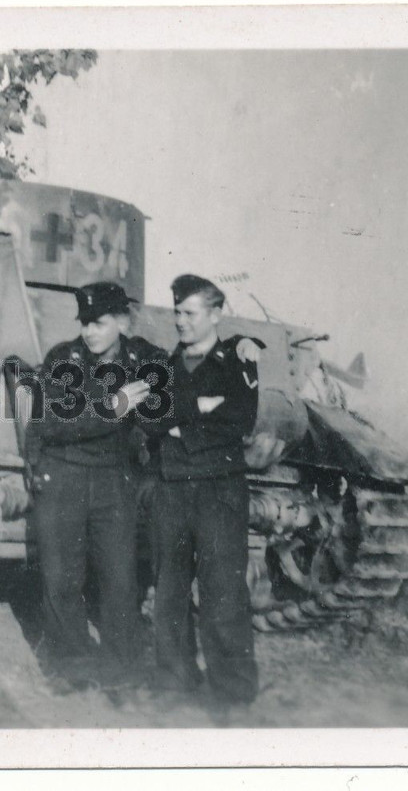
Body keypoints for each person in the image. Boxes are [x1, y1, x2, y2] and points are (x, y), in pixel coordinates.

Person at [27, 281, 166, 687]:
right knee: (62, 577)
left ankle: (121, 666)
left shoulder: (139, 356)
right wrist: (114, 406)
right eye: (85, 322)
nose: (89, 331)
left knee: (120, 577)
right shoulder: (63, 359)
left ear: (122, 322)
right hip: (64, 472)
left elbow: (173, 365)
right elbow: (54, 424)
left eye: (100, 322)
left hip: (113, 479)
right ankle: (70, 665)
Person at [143, 274, 261, 716]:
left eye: (190, 313)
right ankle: (174, 677)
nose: (180, 321)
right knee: (169, 589)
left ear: (215, 315)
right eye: (177, 311)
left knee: (223, 590)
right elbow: (150, 420)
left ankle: (232, 688)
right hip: (171, 488)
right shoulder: (166, 365)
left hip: (218, 491)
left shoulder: (237, 360)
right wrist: (204, 408)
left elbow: (241, 418)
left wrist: (181, 421)